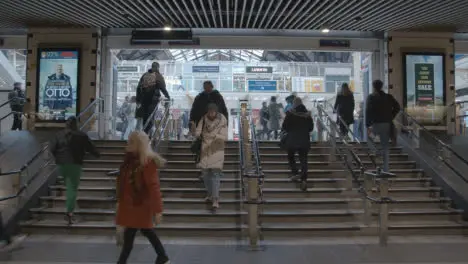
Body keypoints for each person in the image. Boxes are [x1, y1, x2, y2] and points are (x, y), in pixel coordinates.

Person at [115, 131, 170, 264]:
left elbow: (154, 187)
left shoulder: (146, 163)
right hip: (131, 206)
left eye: (131, 142)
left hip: (140, 206)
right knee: (140, 233)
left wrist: (158, 211)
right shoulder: (129, 161)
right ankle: (162, 257)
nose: (127, 144)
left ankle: (162, 257)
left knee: (139, 233)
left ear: (139, 145)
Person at [49, 116, 100, 224]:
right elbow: (91, 148)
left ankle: (70, 207)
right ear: (76, 124)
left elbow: (52, 149)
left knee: (68, 186)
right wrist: (97, 155)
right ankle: (69, 212)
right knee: (72, 188)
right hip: (75, 164)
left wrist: (58, 157)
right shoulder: (82, 135)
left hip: (61, 165)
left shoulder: (58, 135)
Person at [195, 103, 228, 209]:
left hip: (216, 149)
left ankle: (215, 199)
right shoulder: (203, 119)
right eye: (209, 111)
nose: (211, 113)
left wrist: (213, 135)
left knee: (215, 174)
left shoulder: (222, 120)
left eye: (213, 111)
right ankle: (210, 195)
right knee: (205, 174)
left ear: (216, 112)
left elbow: (224, 136)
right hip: (205, 149)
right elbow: (198, 130)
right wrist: (196, 133)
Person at [366, 80, 401, 172]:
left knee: (369, 138)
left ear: (373, 87)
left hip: (376, 124)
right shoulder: (388, 97)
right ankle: (386, 169)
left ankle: (376, 151)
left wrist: (368, 125)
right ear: (381, 87)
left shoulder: (371, 97)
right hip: (387, 124)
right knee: (385, 146)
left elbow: (368, 111)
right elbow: (397, 107)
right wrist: (391, 116)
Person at [281, 97, 314, 191]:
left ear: (294, 104)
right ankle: (304, 180)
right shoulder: (307, 115)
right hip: (304, 140)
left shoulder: (290, 114)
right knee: (304, 160)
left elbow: (285, 127)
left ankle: (295, 173)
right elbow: (311, 128)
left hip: (292, 140)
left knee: (291, 157)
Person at [136, 62, 170, 135]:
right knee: (151, 117)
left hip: (144, 100)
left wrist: (138, 100)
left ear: (151, 67)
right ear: (157, 67)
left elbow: (138, 88)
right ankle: (149, 136)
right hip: (153, 100)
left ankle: (145, 134)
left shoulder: (145, 75)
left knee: (145, 117)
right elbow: (162, 88)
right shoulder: (158, 76)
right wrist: (168, 97)